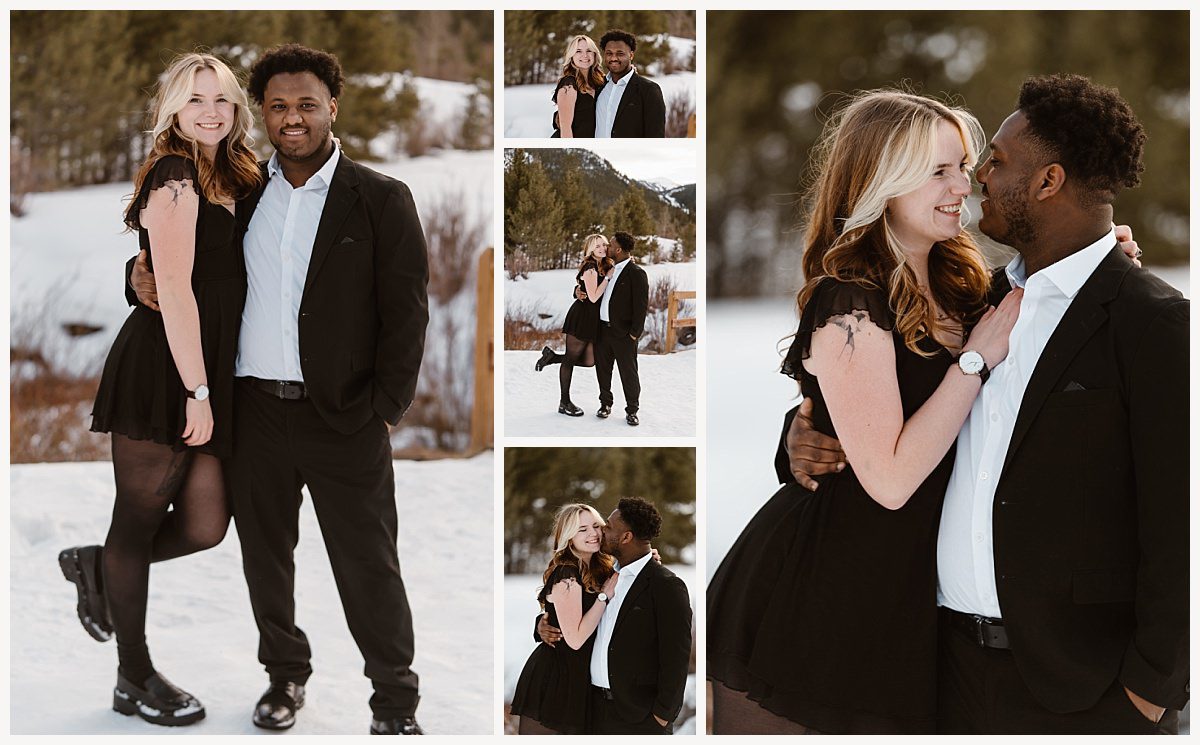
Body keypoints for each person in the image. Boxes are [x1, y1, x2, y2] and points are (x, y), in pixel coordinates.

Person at [781, 75, 1189, 735]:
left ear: (1048, 181)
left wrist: (1150, 689)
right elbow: (900, 404)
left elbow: (1182, 524)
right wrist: (802, 434)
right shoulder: (980, 304)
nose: (974, 183)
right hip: (946, 672)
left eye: (991, 164)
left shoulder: (1152, 321)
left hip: (1087, 693)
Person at [129, 44, 430, 735]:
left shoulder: (381, 198)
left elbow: (407, 311)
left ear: (333, 107)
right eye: (278, 106)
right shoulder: (240, 188)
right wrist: (134, 278)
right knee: (266, 558)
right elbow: (181, 262)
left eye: (306, 104)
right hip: (254, 410)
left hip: (345, 418)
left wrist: (384, 408)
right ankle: (284, 676)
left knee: (369, 565)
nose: (292, 118)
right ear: (260, 113)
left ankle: (394, 702)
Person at [707, 90, 1025, 734]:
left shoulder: (967, 288)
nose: (962, 185)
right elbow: (889, 478)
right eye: (939, 170)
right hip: (818, 599)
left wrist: (1108, 256)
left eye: (962, 166)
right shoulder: (849, 300)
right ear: (883, 181)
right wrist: (974, 363)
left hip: (909, 600)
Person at [58, 52, 263, 726]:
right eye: (195, 98)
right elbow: (172, 288)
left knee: (206, 524)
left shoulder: (238, 172)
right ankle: (133, 674)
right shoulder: (174, 176)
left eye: (223, 100)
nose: (210, 110)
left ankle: (98, 562)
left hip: (213, 371)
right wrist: (196, 390)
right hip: (167, 370)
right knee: (138, 520)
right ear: (172, 108)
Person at [537, 498, 692, 734]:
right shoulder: (604, 576)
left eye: (605, 526)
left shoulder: (666, 585)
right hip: (592, 708)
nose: (600, 532)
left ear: (626, 537)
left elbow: (676, 657)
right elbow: (572, 613)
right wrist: (540, 625)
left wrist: (662, 716)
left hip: (639, 718)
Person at [510, 504, 620, 734]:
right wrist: (603, 597)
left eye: (596, 526)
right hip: (555, 678)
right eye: (582, 529)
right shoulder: (566, 574)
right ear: (569, 537)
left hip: (582, 677)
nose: (593, 533)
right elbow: (576, 639)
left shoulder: (602, 569)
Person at [534, 234, 613, 415]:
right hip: (582, 316)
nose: (602, 248)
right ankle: (564, 402)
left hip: (593, 319)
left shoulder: (604, 264)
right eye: (597, 246)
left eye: (604, 245)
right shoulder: (591, 268)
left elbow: (587, 289)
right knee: (571, 359)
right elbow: (592, 297)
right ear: (590, 249)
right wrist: (607, 279)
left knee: (589, 361)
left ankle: (552, 358)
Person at [593, 231, 648, 426]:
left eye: (611, 244)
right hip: (602, 331)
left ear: (618, 249)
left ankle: (632, 410)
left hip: (624, 335)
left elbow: (641, 307)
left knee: (629, 373)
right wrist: (577, 291)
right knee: (603, 370)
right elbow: (590, 288)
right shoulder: (605, 268)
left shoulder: (637, 274)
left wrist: (634, 334)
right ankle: (605, 404)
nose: (606, 247)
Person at [594, 29, 666, 138]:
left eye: (620, 53)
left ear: (631, 55)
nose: (613, 58)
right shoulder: (597, 86)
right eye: (609, 53)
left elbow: (656, 136)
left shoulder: (649, 90)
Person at [551, 35, 605, 138]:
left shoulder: (599, 82)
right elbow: (565, 128)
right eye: (578, 51)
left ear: (594, 54)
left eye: (589, 50)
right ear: (571, 56)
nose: (585, 55)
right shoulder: (569, 85)